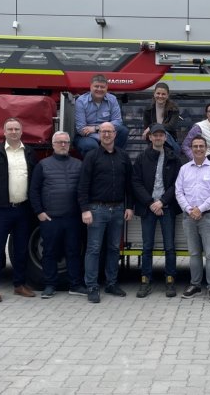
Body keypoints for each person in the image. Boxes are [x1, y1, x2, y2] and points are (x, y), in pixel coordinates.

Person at [0, 117, 38, 303]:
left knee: (21, 250)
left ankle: (19, 285)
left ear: (21, 132)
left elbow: (35, 181)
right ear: (3, 132)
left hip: (23, 209)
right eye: (10, 129)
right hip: (1, 210)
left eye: (16, 129)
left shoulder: (29, 152)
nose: (13, 132)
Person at [78, 121, 134, 304]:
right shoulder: (91, 156)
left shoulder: (124, 157)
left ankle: (111, 283)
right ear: (99, 134)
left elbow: (129, 185)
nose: (107, 135)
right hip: (97, 209)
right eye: (103, 132)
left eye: (110, 131)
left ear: (115, 134)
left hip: (118, 209)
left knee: (113, 249)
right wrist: (85, 209)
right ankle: (92, 286)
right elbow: (83, 185)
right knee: (93, 249)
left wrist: (129, 206)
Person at [29, 131, 85, 299]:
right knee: (50, 252)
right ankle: (49, 285)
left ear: (70, 145)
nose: (63, 145)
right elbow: (34, 190)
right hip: (51, 218)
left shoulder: (79, 165)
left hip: (73, 218)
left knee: (74, 252)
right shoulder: (43, 165)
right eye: (59, 142)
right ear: (53, 145)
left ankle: (75, 284)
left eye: (66, 142)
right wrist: (39, 212)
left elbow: (84, 190)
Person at [131, 124, 182, 298]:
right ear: (150, 138)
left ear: (165, 138)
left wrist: (162, 202)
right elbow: (135, 182)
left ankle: (170, 281)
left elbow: (177, 184)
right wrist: (151, 202)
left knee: (170, 247)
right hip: (148, 208)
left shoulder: (174, 158)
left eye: (161, 135)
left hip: (167, 207)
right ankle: (145, 281)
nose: (158, 138)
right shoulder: (141, 158)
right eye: (155, 135)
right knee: (147, 247)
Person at [174, 136, 210, 303]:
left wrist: (200, 209)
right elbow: (178, 192)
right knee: (194, 253)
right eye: (195, 146)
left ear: (206, 148)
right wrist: (190, 209)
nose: (198, 149)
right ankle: (195, 284)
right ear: (191, 148)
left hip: (209, 216)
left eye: (201, 146)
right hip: (189, 217)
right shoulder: (184, 169)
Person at [74, 74, 129, 155]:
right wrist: (102, 138)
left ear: (106, 88)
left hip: (105, 132)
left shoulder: (112, 99)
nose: (99, 89)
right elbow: (81, 129)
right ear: (91, 87)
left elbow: (118, 121)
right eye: (96, 86)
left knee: (123, 131)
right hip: (86, 137)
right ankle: (94, 165)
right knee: (90, 145)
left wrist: (96, 128)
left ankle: (115, 158)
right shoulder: (81, 101)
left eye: (102, 87)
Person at [141, 83, 182, 152]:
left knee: (163, 132)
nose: (160, 96)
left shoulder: (174, 109)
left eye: (163, 94)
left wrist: (152, 127)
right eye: (158, 93)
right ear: (154, 94)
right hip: (154, 142)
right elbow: (146, 131)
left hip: (169, 143)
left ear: (167, 95)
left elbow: (171, 127)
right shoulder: (148, 110)